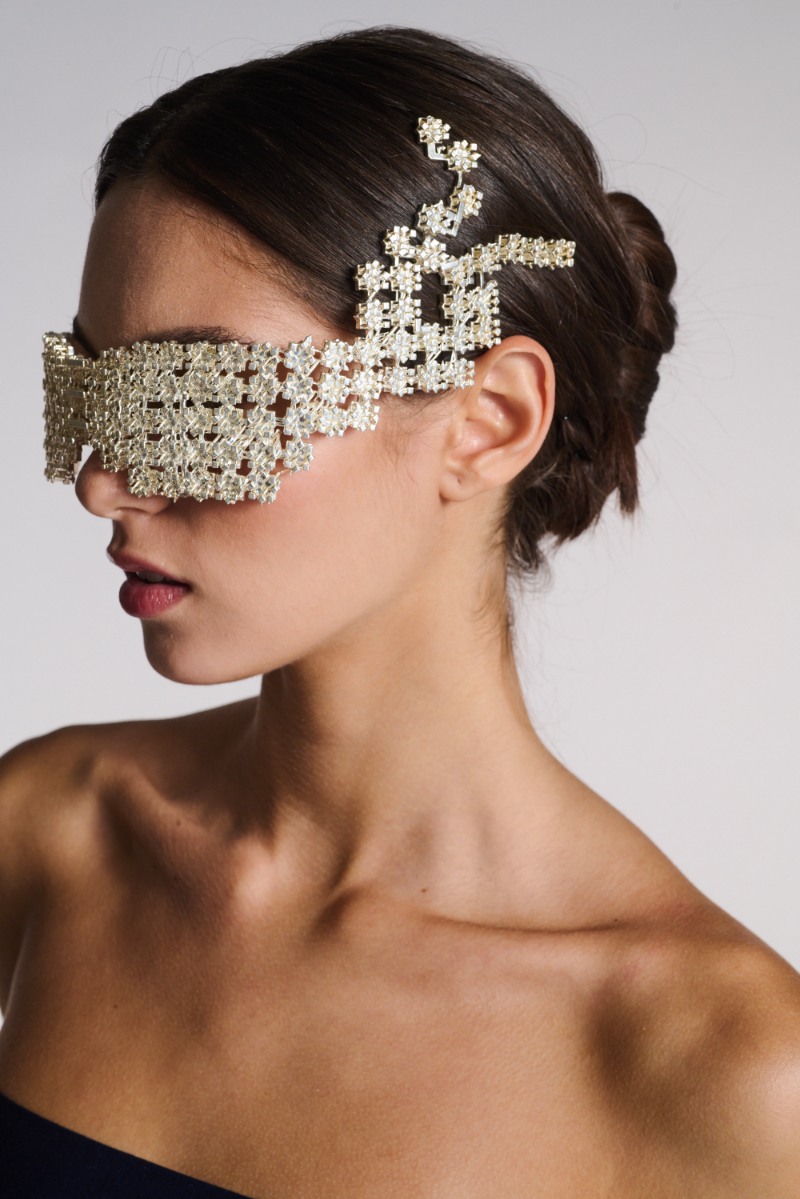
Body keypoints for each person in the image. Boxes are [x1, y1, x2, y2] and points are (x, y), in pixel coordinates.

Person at [1, 25, 798, 1199]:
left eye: (193, 397)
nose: (102, 481)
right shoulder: (53, 831)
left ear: (486, 420)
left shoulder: (722, 1062)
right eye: (89, 390)